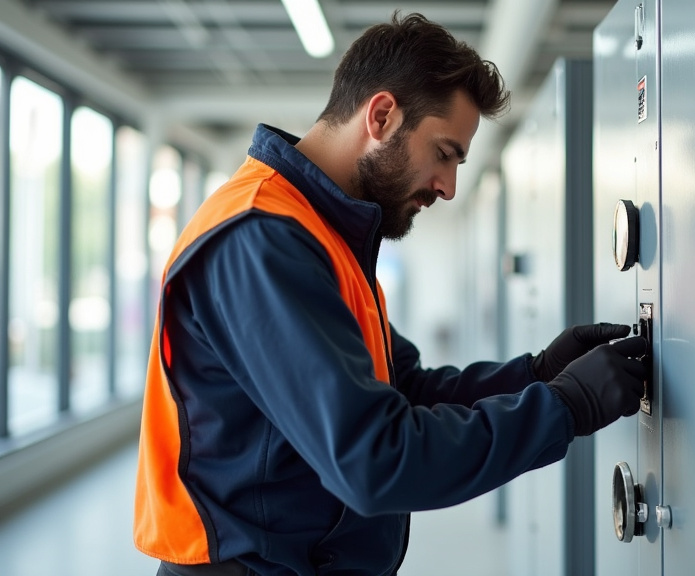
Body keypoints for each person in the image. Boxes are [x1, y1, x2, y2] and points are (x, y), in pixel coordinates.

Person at [134, 12, 646, 576]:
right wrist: (567, 405)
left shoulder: (322, 236)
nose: (448, 188)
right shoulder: (262, 238)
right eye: (444, 153)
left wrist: (539, 374)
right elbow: (374, 460)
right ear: (381, 116)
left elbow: (406, 390)